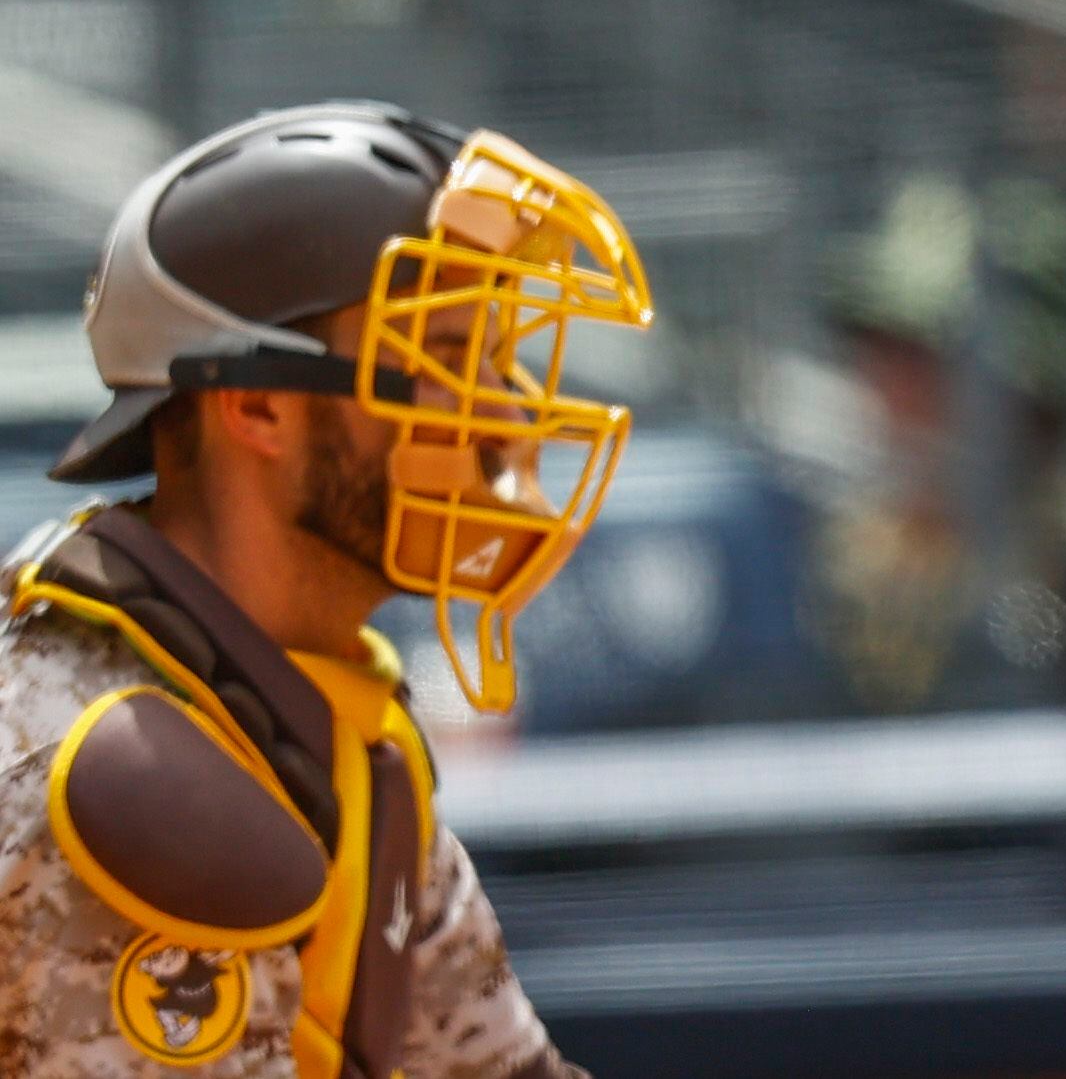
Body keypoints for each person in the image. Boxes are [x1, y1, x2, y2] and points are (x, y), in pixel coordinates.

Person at [2, 103, 651, 1075]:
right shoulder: (107, 771)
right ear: (260, 403)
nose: (506, 411)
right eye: (449, 358)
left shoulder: (333, 727)